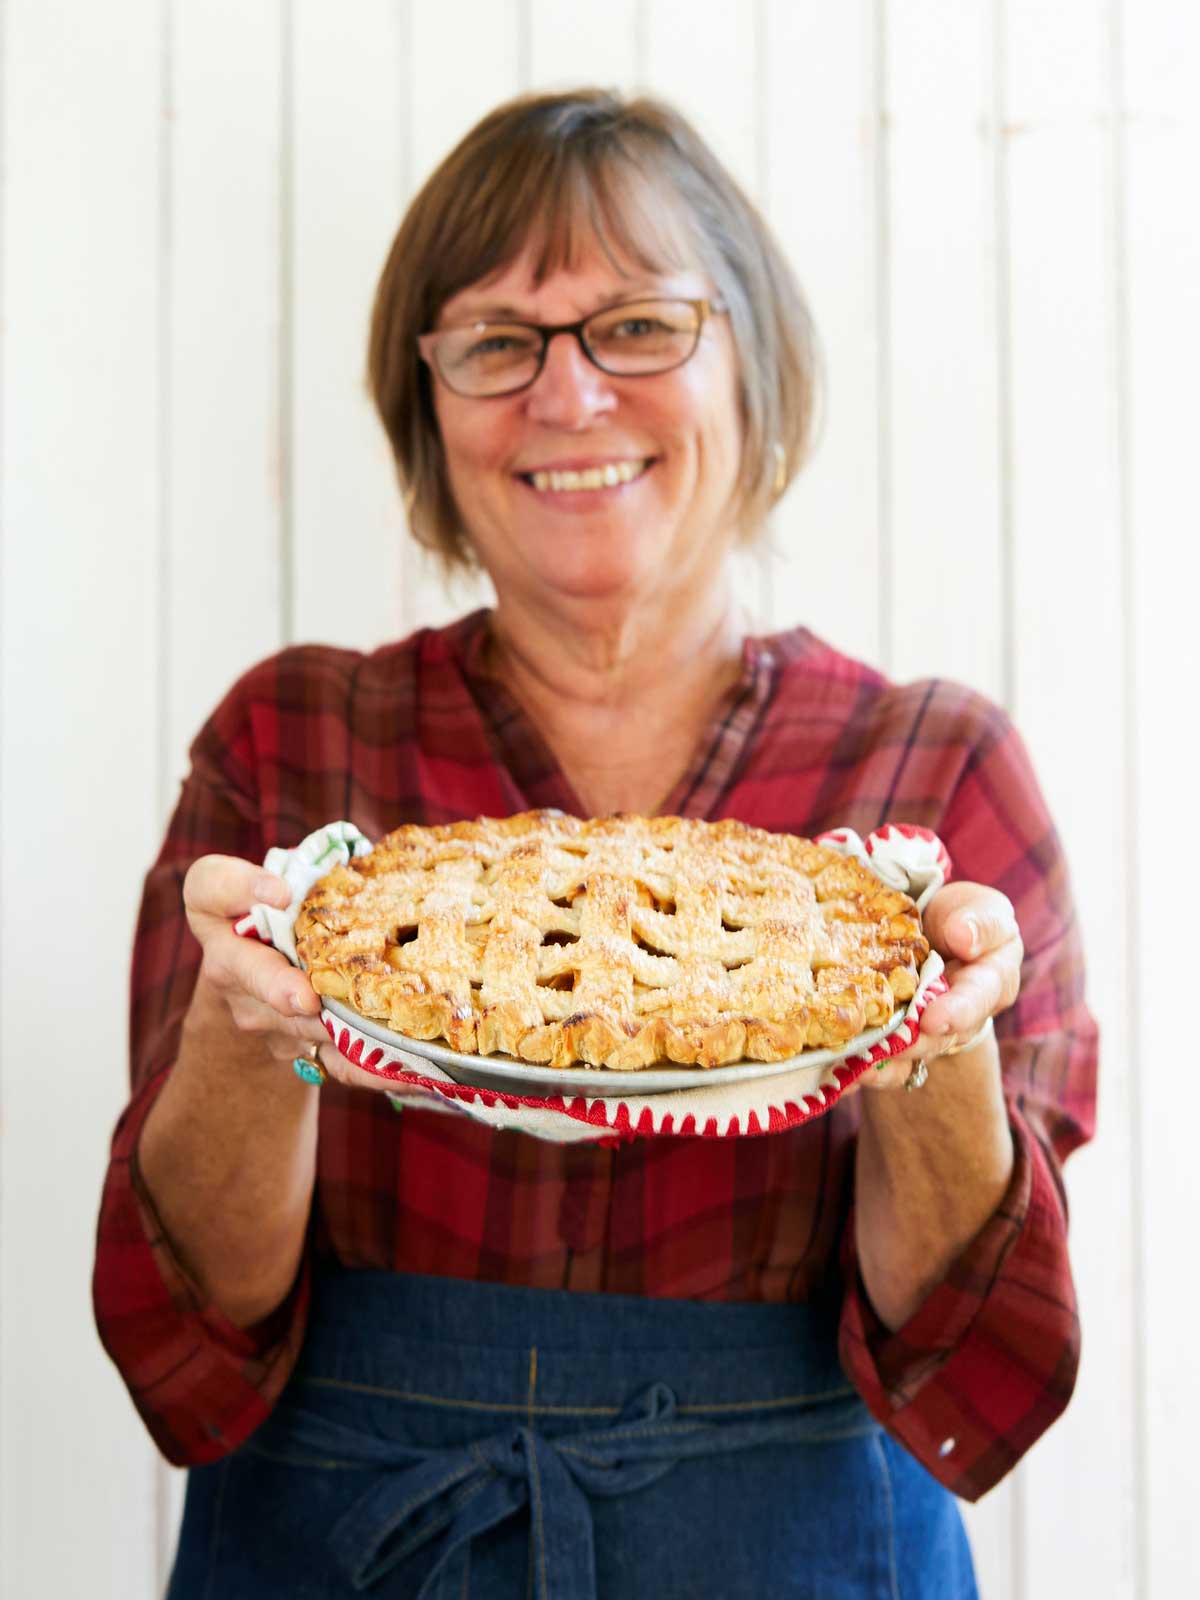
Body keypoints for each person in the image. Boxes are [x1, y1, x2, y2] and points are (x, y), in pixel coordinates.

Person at [94, 89, 1097, 1598]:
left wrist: (931, 1045)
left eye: (638, 325)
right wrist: (252, 1038)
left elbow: (971, 1366)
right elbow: (193, 1338)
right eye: (498, 343)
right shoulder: (296, 751)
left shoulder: (932, 780)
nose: (568, 399)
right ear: (426, 408)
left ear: (752, 360)